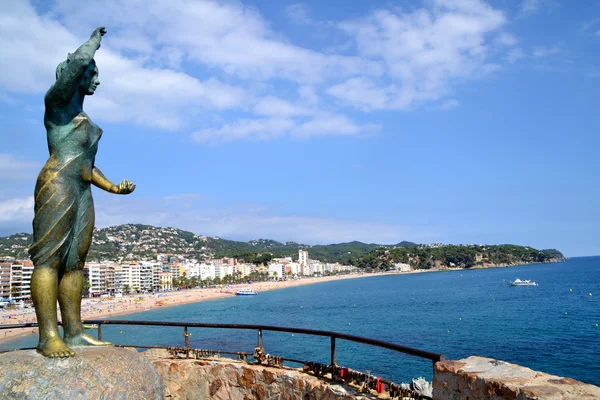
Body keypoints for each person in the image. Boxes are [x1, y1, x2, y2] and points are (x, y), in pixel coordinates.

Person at [28, 27, 135, 358]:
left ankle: (74, 331)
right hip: (57, 182)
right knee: (49, 260)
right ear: (74, 76)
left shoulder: (86, 119)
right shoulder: (57, 105)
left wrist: (113, 187)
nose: (97, 81)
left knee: (75, 262)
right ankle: (49, 336)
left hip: (81, 188)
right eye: (93, 74)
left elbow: (87, 166)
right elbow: (76, 63)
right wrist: (93, 43)